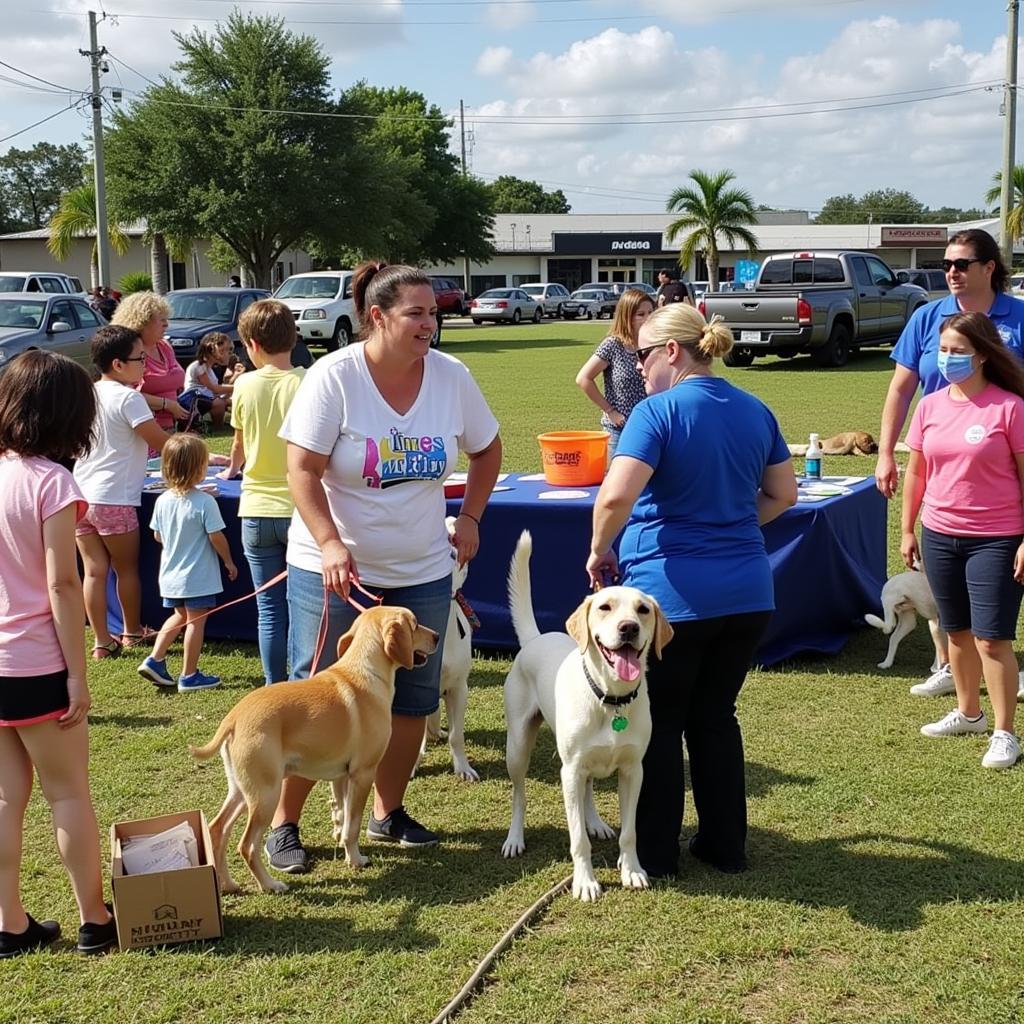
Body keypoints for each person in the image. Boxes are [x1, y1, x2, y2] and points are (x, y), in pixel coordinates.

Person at [264, 261, 502, 875]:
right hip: (335, 570)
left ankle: (385, 811)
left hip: (423, 568)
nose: (430, 323)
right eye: (415, 314)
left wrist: (470, 517)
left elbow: (488, 448)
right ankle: (284, 826)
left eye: (433, 312)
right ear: (377, 316)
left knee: (412, 699)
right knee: (313, 695)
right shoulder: (334, 376)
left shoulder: (452, 377)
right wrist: (330, 543)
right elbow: (301, 471)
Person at [585, 304, 797, 878]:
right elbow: (783, 495)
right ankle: (726, 846)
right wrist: (733, 527)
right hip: (749, 593)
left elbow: (614, 497)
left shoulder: (656, 412)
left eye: (643, 355)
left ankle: (656, 854)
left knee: (660, 722)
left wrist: (600, 547)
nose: (639, 366)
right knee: (716, 718)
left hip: (673, 597)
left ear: (672, 352)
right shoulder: (755, 408)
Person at [0, 351, 117, 958]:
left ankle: (10, 922)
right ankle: (94, 919)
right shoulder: (53, 482)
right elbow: (62, 584)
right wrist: (77, 674)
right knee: (68, 792)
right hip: (38, 662)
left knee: (4, 798)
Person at [876, 228, 1024, 699]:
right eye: (946, 265)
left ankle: (1002, 669)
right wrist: (885, 452)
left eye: (961, 264)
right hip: (941, 464)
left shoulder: (1018, 317)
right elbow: (901, 389)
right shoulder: (927, 317)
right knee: (946, 581)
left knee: (1005, 574)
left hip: (1003, 459)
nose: (952, 273)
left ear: (989, 267)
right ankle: (950, 666)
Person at [901, 312, 1024, 769]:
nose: (947, 358)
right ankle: (969, 713)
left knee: (993, 640)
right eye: (943, 349)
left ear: (984, 355)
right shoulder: (930, 406)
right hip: (939, 534)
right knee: (956, 631)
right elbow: (918, 470)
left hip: (997, 538)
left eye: (958, 351)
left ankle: (1004, 731)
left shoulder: (1009, 407)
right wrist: (908, 528)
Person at [216, 299, 306, 685]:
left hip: (255, 508)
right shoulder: (308, 381)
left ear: (251, 344)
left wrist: (233, 470)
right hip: (301, 510)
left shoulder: (244, 385)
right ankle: (304, 684)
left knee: (269, 609)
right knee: (304, 607)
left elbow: (239, 444)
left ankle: (274, 684)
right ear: (294, 337)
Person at [73, 326, 170, 658]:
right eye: (140, 358)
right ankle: (131, 631)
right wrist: (198, 454)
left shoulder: (86, 393)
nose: (145, 364)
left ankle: (101, 640)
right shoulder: (130, 398)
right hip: (114, 498)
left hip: (81, 496)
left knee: (94, 571)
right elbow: (161, 442)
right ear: (118, 364)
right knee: (125, 569)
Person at [136, 433, 238, 692]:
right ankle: (189, 675)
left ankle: (155, 659)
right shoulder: (205, 502)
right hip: (197, 576)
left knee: (179, 615)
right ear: (200, 468)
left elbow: (158, 535)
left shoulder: (162, 500)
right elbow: (217, 537)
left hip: (170, 576)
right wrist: (228, 561)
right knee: (195, 622)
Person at [575, 288, 654, 455]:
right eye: (641, 314)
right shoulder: (614, 345)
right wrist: (610, 411)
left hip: (651, 428)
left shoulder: (656, 344)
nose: (648, 318)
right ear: (627, 317)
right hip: (620, 429)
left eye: (650, 312)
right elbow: (583, 378)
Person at [111, 292, 189, 433]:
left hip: (171, 425)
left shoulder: (164, 346)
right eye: (161, 319)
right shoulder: (129, 351)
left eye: (166, 319)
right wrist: (167, 404)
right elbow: (124, 394)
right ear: (142, 321)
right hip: (142, 427)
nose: (166, 324)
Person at [180, 334, 233, 430]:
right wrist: (237, 386)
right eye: (223, 350)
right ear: (211, 350)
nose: (227, 354)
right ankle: (218, 427)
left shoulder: (210, 369)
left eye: (228, 350)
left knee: (228, 401)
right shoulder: (199, 366)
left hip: (205, 397)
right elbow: (214, 388)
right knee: (219, 403)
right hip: (193, 400)